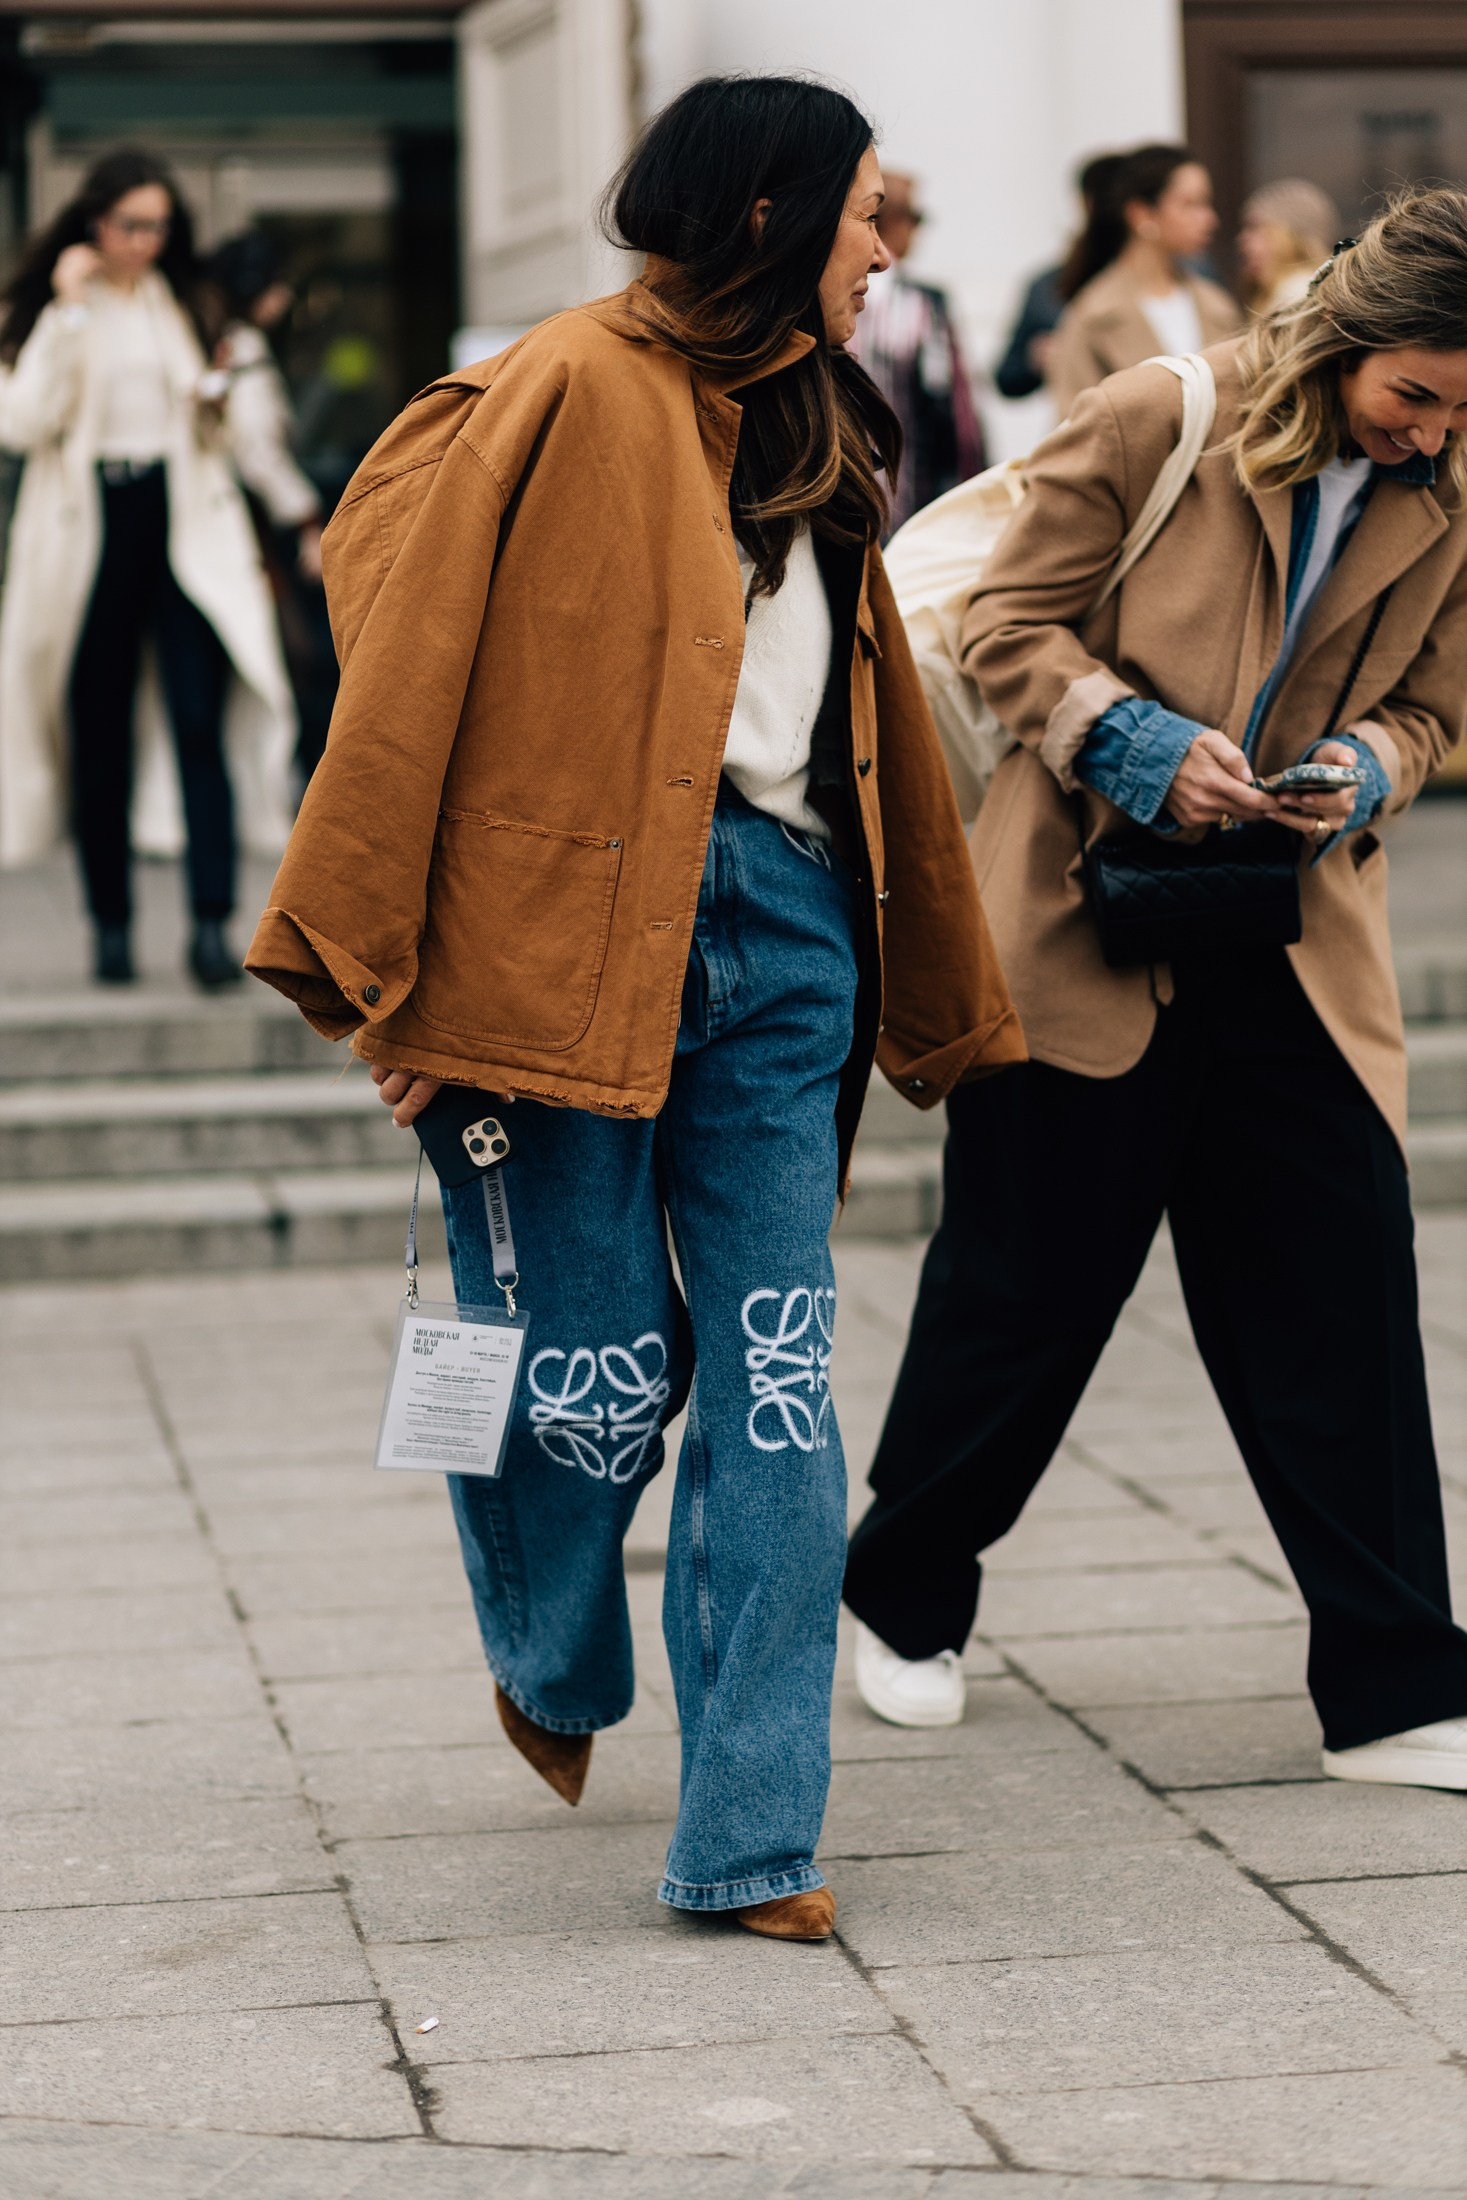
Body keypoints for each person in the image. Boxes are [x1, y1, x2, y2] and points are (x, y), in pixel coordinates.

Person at [246, 76, 1023, 1941]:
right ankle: (553, 1652)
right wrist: (389, 966)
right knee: (593, 1381)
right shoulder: (563, 384)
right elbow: (407, 658)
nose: (885, 252)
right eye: (862, 217)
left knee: (774, 1377)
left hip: (783, 928)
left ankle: (750, 1838)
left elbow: (857, 712)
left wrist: (915, 952)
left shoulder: (833, 415)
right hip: (555, 923)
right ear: (767, 212)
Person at [846, 186, 1467, 1796]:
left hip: (1290, 933)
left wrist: (1360, 764)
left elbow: (1436, 709)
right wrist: (1129, 741)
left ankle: (1396, 1681)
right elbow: (1002, 622)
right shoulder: (1153, 414)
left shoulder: (1456, 481)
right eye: (1410, 395)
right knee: (1021, 1294)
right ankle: (899, 1598)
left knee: (1338, 1300)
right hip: (1077, 912)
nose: (1426, 437)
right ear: (1339, 343)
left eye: (1460, 411)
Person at [0, 149, 295, 988]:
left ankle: (210, 925)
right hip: (92, 528)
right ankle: (112, 926)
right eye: (131, 225)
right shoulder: (52, 309)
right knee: (98, 739)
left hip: (183, 528)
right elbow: (20, 421)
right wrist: (65, 309)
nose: (145, 241)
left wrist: (215, 401)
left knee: (197, 722)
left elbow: (241, 429)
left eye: (159, 226)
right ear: (94, 223)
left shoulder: (188, 302)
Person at [208, 230, 337, 782]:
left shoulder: (222, 345)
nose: (286, 297)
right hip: (264, 528)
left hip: (243, 525)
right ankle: (304, 779)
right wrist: (308, 519)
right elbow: (258, 453)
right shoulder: (245, 350)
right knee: (305, 656)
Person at [1047, 142, 1239, 418]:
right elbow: (1074, 428)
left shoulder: (1216, 305)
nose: (1210, 219)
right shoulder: (1093, 315)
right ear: (1141, 214)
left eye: (1206, 204)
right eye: (1191, 204)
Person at [850, 169, 984, 534]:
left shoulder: (825, 294)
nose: (918, 231)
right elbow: (953, 408)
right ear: (890, 220)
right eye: (917, 218)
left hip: (846, 496)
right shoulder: (922, 303)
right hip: (910, 496)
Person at [993, 153, 1125, 402]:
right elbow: (1007, 378)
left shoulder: (1189, 282)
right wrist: (1036, 357)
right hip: (1084, 422)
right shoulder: (1049, 286)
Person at [1238, 177, 1340, 316]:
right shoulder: (1316, 290)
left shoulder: (1298, 294)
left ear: (1288, 236)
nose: (1243, 240)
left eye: (1255, 228)